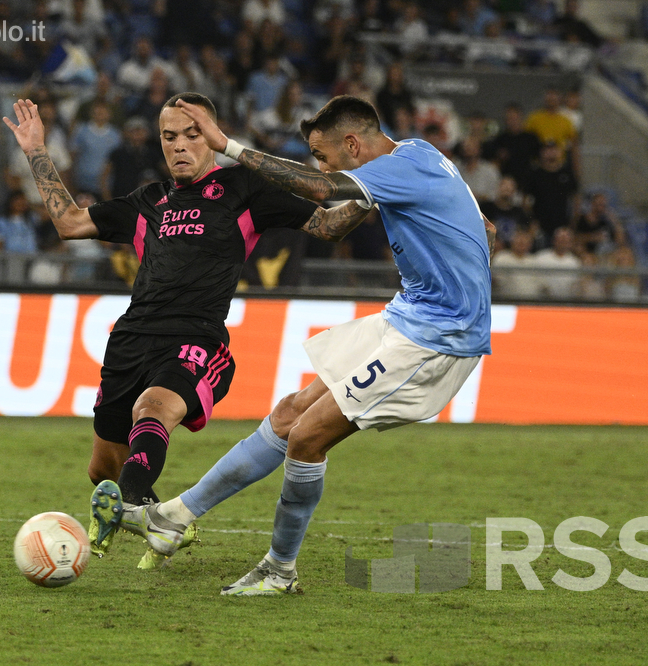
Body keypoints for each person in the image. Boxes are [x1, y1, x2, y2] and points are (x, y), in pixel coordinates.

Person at [115, 95, 495, 594]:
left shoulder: (396, 168)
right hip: (409, 314)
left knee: (307, 439)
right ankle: (173, 517)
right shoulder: (420, 154)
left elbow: (319, 190)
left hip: (436, 336)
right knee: (289, 414)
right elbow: (485, 228)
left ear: (353, 144)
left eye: (323, 155)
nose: (322, 166)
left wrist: (228, 146)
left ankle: (279, 571)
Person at [3, 92, 366, 569]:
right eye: (169, 136)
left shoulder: (243, 189)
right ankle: (165, 520)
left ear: (212, 138)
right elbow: (70, 224)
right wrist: (36, 150)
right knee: (103, 469)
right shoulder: (148, 200)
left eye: (192, 135)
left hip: (196, 339)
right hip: (130, 341)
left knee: (152, 409)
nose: (179, 145)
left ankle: (129, 508)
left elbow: (327, 225)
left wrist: (373, 195)